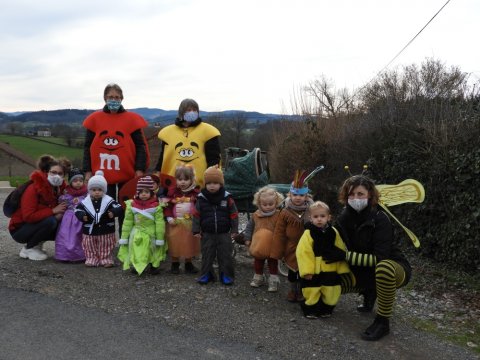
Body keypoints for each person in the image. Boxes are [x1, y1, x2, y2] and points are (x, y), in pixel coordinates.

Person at [335, 175, 412, 341]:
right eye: (351, 194)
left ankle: (382, 322)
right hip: (363, 271)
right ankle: (369, 291)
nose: (355, 198)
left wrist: (345, 256)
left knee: (383, 268)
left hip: (393, 267)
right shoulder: (342, 219)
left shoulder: (380, 219)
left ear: (370, 195)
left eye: (360, 194)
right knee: (329, 281)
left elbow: (380, 258)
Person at [82, 83, 150, 227]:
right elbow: (87, 146)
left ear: (122, 99)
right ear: (105, 98)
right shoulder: (95, 119)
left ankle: (125, 240)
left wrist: (139, 169)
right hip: (103, 173)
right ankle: (107, 238)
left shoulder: (131, 119)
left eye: (117, 97)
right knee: (106, 206)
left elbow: (140, 145)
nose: (114, 100)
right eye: (111, 97)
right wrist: (87, 170)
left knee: (127, 206)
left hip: (127, 171)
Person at [9, 155, 70, 261]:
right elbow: (28, 216)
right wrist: (53, 211)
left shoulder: (59, 189)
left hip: (34, 225)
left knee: (64, 223)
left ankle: (37, 244)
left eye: (60, 173)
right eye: (53, 172)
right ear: (46, 172)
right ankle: (29, 248)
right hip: (20, 230)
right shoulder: (33, 188)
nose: (57, 176)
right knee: (51, 221)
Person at [296, 201, 349, 319]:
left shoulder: (334, 232)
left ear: (328, 217)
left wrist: (342, 267)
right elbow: (303, 252)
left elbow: (340, 249)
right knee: (311, 289)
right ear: (310, 218)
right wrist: (307, 271)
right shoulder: (308, 233)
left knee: (331, 289)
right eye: (316, 217)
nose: (319, 219)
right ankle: (310, 309)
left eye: (322, 216)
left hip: (330, 267)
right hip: (314, 268)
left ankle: (327, 308)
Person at [153, 98, 221, 188]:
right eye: (189, 110)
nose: (192, 112)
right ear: (182, 112)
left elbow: (214, 158)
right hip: (173, 184)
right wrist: (157, 173)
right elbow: (163, 156)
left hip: (199, 184)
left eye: (194, 110)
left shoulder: (208, 131)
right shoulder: (167, 133)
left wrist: (212, 179)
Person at [192, 165, 239, 285]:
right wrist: (196, 230)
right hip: (207, 233)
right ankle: (206, 275)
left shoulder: (227, 198)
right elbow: (196, 215)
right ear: (205, 184)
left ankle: (226, 275)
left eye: (215, 183)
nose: (212, 185)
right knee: (207, 254)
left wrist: (234, 230)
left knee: (225, 255)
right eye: (209, 183)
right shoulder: (201, 199)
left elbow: (234, 215)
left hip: (224, 233)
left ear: (221, 184)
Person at [273, 170, 314, 302]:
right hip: (291, 247)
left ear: (306, 196)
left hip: (307, 248)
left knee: (304, 272)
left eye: (301, 195)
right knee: (292, 273)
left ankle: (302, 291)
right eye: (295, 195)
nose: (298, 198)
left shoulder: (312, 210)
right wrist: (278, 251)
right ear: (290, 194)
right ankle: (292, 290)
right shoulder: (285, 212)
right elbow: (279, 232)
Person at [117, 176, 167, 275]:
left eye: (147, 192)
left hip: (151, 232)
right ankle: (137, 264)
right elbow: (127, 222)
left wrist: (160, 238)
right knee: (136, 248)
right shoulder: (132, 206)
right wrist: (124, 237)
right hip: (137, 231)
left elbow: (160, 223)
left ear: (152, 193)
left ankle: (153, 265)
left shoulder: (156, 207)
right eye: (141, 192)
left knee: (152, 249)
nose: (144, 194)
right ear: (137, 193)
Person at [75, 170, 123, 267]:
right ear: (89, 190)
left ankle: (106, 259)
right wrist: (82, 215)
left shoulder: (109, 201)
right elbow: (77, 210)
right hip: (89, 230)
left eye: (100, 190)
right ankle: (92, 258)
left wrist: (113, 212)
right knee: (89, 245)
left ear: (104, 190)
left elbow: (119, 207)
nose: (97, 192)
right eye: (94, 190)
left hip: (106, 229)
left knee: (106, 245)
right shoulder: (85, 202)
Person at [243, 186, 284, 292]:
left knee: (273, 262)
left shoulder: (279, 215)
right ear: (259, 203)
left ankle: (273, 279)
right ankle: (258, 276)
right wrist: (247, 239)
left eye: (271, 204)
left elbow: (282, 229)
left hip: (272, 245)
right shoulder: (256, 215)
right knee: (258, 261)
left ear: (276, 202)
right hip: (259, 244)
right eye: (264, 204)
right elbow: (249, 228)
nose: (268, 207)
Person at [164, 165, 200, 274]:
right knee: (174, 243)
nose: (183, 182)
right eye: (180, 179)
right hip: (175, 222)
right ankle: (175, 264)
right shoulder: (172, 192)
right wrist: (169, 217)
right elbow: (168, 206)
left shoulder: (196, 193)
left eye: (186, 179)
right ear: (176, 180)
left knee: (189, 243)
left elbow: (199, 207)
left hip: (190, 223)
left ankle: (188, 264)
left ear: (192, 179)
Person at [55, 168, 88, 262]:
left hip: (81, 217)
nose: (78, 183)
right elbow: (61, 201)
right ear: (70, 182)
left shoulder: (86, 193)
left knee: (79, 236)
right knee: (65, 235)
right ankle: (64, 255)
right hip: (68, 218)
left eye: (80, 180)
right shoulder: (67, 193)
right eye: (75, 180)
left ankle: (80, 255)